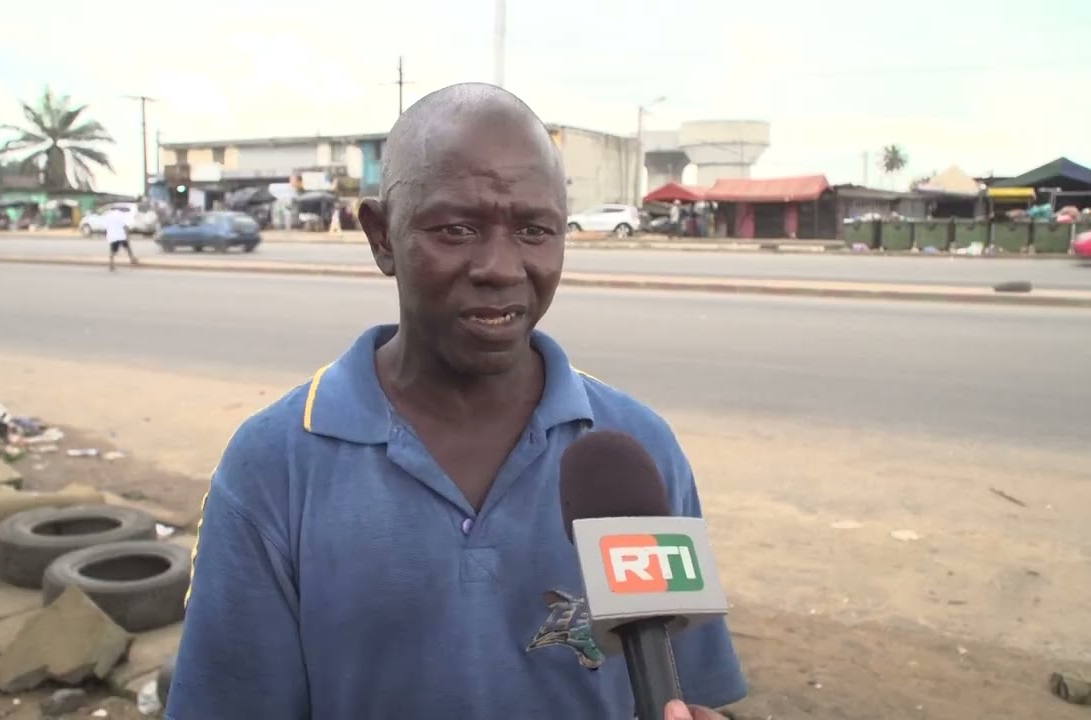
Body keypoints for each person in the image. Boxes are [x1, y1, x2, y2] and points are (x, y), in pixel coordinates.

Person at [166, 83, 746, 720]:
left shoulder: (635, 452)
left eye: (534, 230)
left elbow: (684, 692)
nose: (500, 267)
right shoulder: (274, 464)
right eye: (456, 229)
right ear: (382, 238)